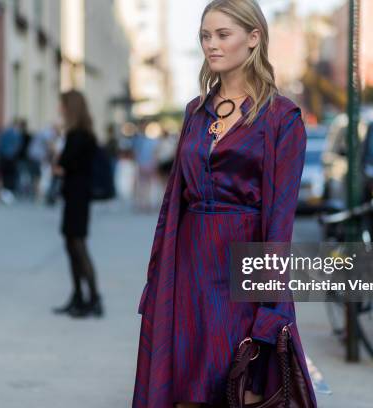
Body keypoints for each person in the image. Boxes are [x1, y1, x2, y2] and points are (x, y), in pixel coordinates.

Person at [132, 1, 317, 407]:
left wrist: (272, 306)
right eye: (204, 36)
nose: (210, 45)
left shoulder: (282, 117)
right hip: (189, 271)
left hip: (244, 273)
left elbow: (281, 220)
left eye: (222, 35)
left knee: (240, 389)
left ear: (253, 39)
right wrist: (157, 278)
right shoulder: (195, 113)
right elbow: (171, 206)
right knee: (185, 390)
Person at [52, 89, 103, 318]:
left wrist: (57, 153)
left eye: (62, 105)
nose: (58, 109)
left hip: (76, 197)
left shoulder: (76, 136)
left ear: (70, 107)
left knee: (77, 246)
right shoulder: (87, 134)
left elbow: (62, 165)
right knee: (72, 245)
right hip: (78, 196)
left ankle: (92, 298)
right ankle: (79, 296)